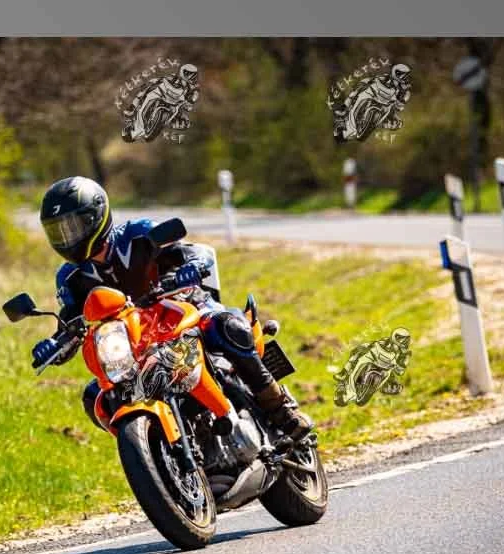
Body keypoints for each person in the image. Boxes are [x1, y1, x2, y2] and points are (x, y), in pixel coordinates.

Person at [32, 176, 313, 439]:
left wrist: (193, 265)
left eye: (74, 227)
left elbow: (193, 251)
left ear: (97, 216)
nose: (68, 237)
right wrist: (55, 345)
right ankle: (155, 446)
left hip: (181, 309)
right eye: (59, 231)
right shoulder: (70, 278)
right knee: (95, 395)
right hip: (135, 344)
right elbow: (70, 322)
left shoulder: (138, 234)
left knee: (227, 326)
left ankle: (279, 408)